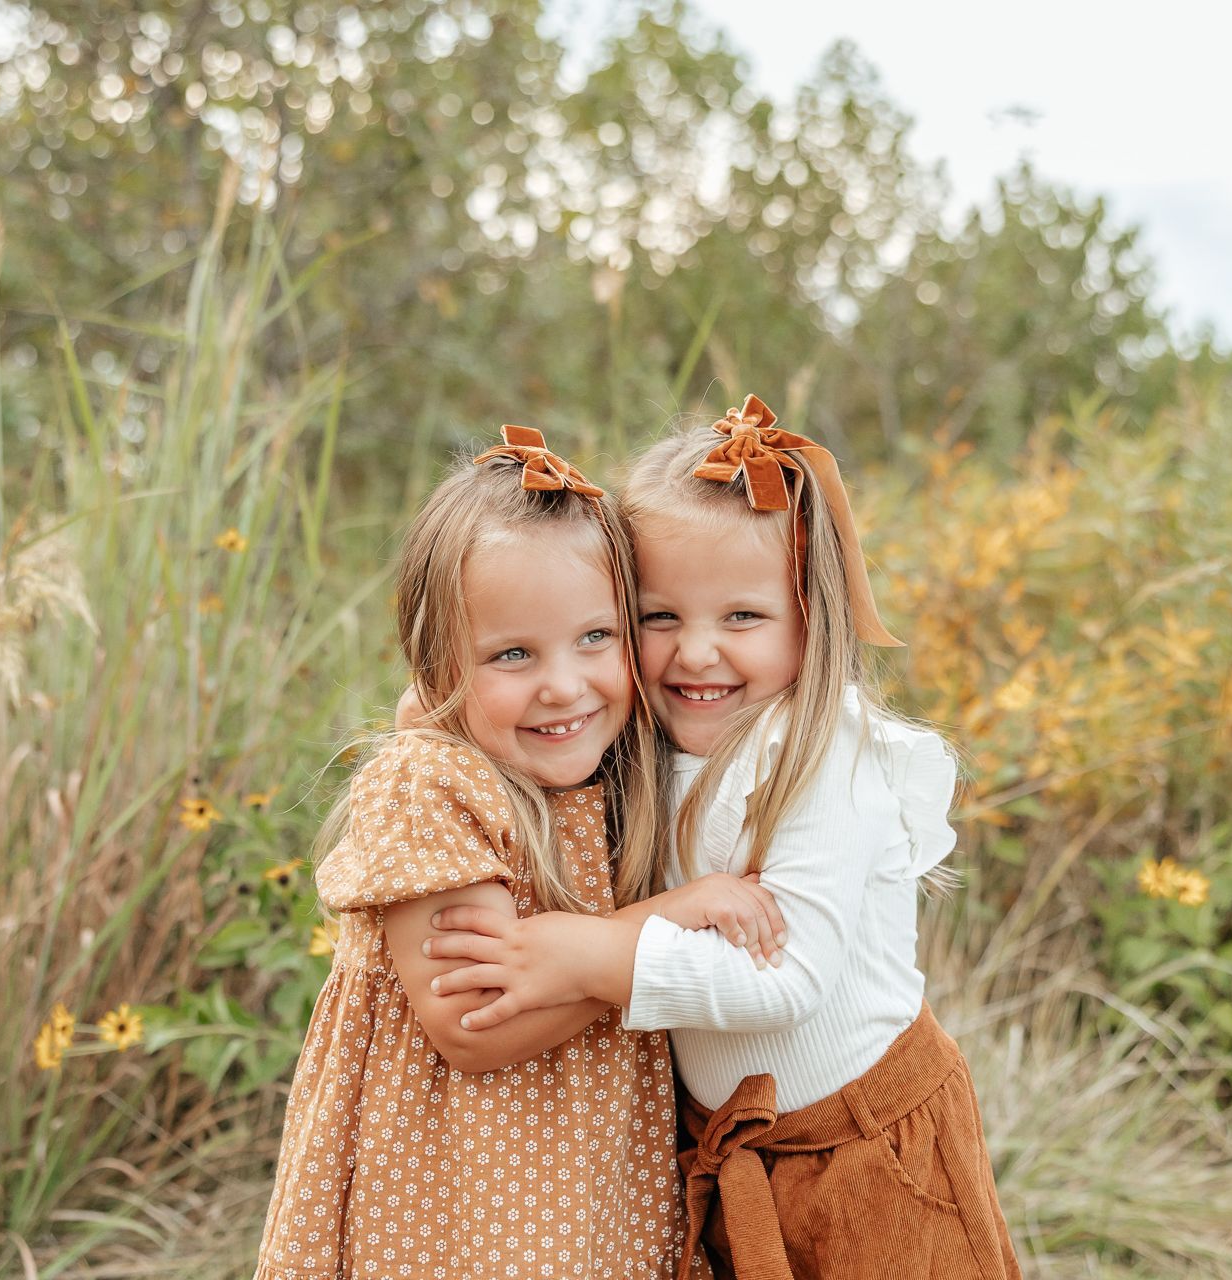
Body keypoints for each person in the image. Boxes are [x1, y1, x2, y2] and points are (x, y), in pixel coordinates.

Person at [427, 399, 1022, 1279]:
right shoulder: (646, 738)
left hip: (871, 1149)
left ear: (809, 618)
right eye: (660, 619)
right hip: (733, 1149)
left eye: (742, 619)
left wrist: (593, 958)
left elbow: (788, 979)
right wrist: (428, 709)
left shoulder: (822, 757)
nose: (696, 655)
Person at [253, 426, 770, 1280]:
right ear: (440, 662)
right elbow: (474, 1027)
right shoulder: (435, 788)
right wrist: (668, 919)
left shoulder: (599, 765)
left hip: (586, 1185)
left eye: (597, 638)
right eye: (514, 654)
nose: (563, 685)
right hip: (451, 1192)